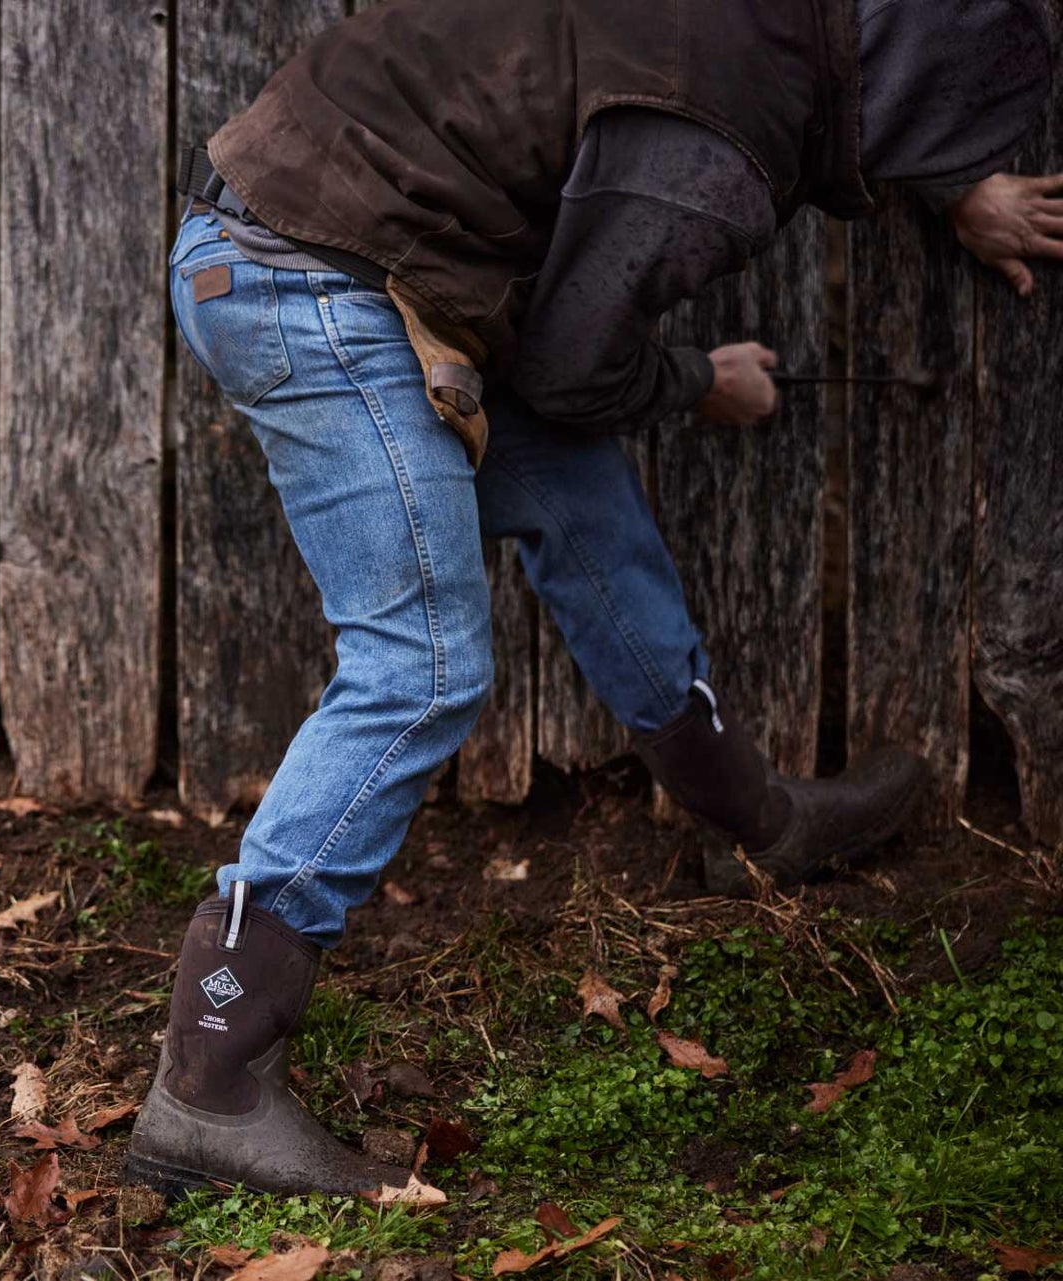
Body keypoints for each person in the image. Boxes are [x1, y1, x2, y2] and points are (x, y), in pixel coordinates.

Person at [126, 0, 1059, 1197]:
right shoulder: (721, 141)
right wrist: (694, 380)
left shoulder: (758, 35)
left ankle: (754, 825)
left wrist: (950, 186)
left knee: (575, 496)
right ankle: (209, 1076)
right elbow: (576, 364)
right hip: (300, 276)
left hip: (374, 252)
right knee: (421, 668)